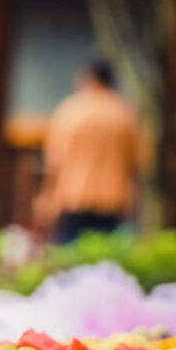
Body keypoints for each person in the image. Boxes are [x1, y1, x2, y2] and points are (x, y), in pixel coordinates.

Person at [35, 59, 145, 244]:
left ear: (87, 78)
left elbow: (55, 161)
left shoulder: (70, 111)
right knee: (107, 261)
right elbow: (138, 161)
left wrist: (46, 197)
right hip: (115, 199)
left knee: (69, 259)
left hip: (74, 196)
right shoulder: (125, 113)